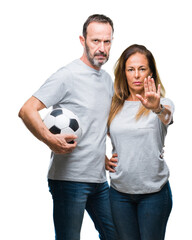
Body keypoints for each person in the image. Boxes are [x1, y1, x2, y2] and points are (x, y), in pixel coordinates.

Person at [19, 14, 118, 240]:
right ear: (83, 41)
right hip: (69, 180)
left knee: (116, 234)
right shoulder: (67, 75)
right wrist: (49, 139)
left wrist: (101, 156)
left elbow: (94, 123)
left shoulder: (106, 80)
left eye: (107, 41)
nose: (101, 48)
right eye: (95, 41)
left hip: (99, 181)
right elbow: (27, 110)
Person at [106, 44, 174, 240]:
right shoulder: (113, 106)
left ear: (150, 72)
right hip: (119, 194)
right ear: (124, 72)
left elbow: (167, 116)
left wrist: (157, 107)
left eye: (142, 69)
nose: (136, 75)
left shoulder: (164, 104)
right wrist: (102, 159)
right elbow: (94, 134)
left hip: (154, 193)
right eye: (131, 69)